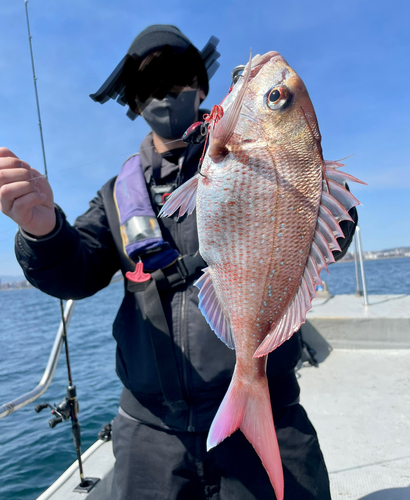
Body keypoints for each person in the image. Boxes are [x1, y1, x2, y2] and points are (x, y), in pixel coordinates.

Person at [0, 25, 357, 499]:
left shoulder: (266, 161)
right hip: (151, 431)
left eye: (177, 78)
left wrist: (309, 187)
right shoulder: (115, 197)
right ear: (135, 102)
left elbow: (330, 236)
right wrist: (42, 230)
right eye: (150, 86)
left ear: (205, 88)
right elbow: (76, 272)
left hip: (273, 409)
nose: (166, 94)